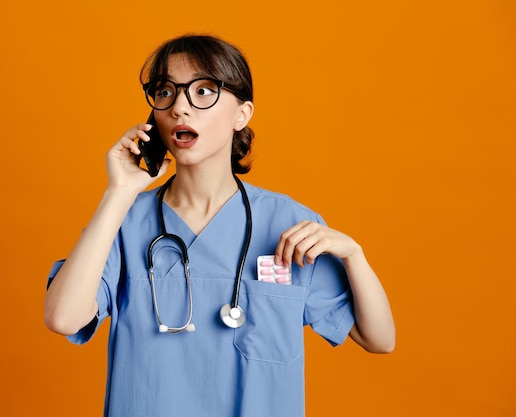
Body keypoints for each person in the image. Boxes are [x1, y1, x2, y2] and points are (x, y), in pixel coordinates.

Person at [44, 34, 395, 417]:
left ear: (241, 114)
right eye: (165, 91)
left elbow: (379, 338)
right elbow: (63, 318)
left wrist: (355, 255)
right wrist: (118, 193)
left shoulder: (290, 224)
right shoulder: (123, 222)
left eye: (203, 91)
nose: (180, 107)